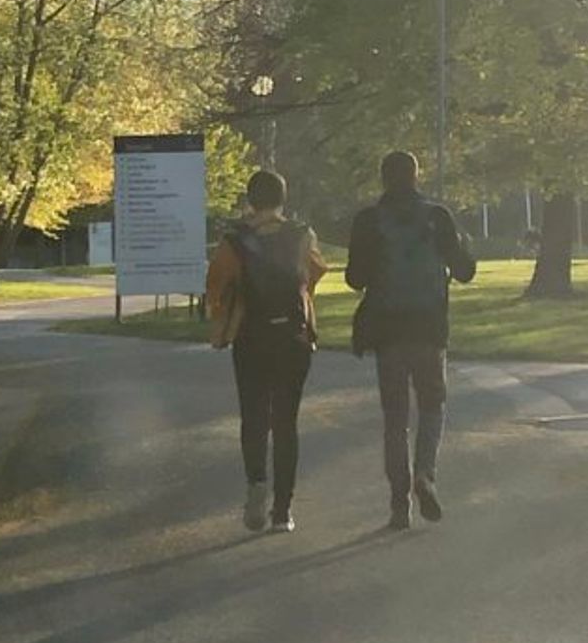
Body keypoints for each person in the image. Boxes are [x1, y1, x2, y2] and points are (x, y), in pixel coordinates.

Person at [345, 150, 477, 529]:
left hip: (388, 331)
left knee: (395, 417)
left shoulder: (369, 221)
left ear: (383, 178)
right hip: (430, 328)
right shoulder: (437, 217)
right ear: (417, 176)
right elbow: (465, 271)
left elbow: (355, 278)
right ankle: (426, 474)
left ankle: (398, 504)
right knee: (432, 406)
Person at [204, 169, 326, 534]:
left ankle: (257, 483)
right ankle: (283, 511)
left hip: (251, 338)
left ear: (250, 199)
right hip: (294, 337)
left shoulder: (234, 241)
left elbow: (214, 287)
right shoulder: (302, 235)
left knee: (254, 417)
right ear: (283, 199)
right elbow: (316, 271)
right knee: (286, 422)